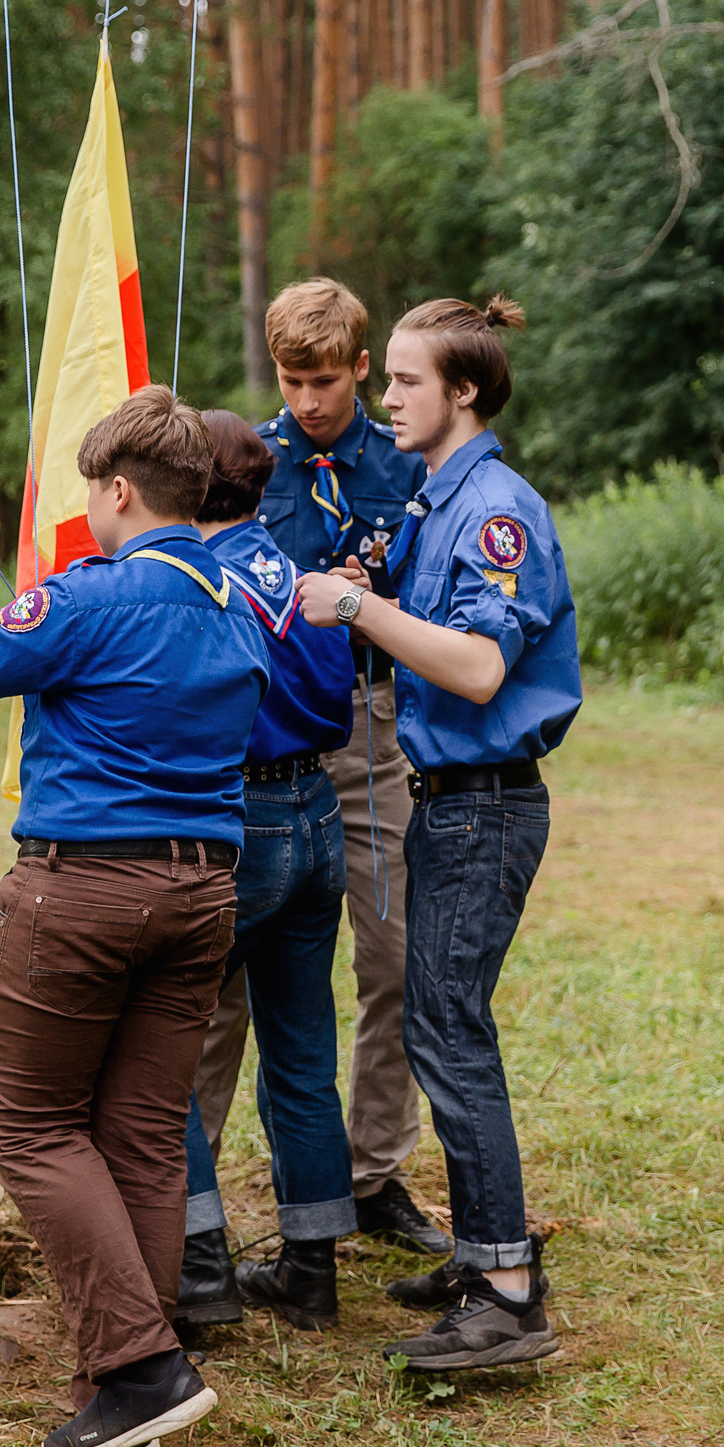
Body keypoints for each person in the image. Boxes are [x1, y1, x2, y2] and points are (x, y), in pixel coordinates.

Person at [0, 386, 264, 1447]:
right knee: (141, 1133)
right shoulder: (236, 607)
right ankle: (134, 1375)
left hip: (83, 892)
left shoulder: (92, 599)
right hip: (202, 893)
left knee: (28, 1126)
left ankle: (140, 1367)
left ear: (116, 492)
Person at [295, 295, 582, 1374]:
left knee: (450, 1032)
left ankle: (506, 1295)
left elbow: (476, 666)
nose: (385, 398)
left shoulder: (495, 509)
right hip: (451, 798)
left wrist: (357, 610)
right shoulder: (438, 499)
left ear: (463, 390)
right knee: (434, 1023)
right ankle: (481, 1254)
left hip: (487, 801)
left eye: (405, 380)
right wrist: (374, 589)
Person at [192, 277, 448, 1259]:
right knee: (221, 978)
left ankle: (372, 1173)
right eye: (294, 380)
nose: (309, 400)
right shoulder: (243, 465)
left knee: (390, 958)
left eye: (327, 380)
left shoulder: (403, 464)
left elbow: (439, 583)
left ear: (358, 364)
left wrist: (378, 600)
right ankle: (189, 1202)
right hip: (259, 739)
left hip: (368, 721)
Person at [173, 411, 359, 1337]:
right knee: (302, 1055)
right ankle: (311, 1269)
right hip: (319, 810)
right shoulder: (303, 577)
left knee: (161, 1050)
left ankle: (200, 1273)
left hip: (241, 817)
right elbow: (339, 697)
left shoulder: (202, 584)